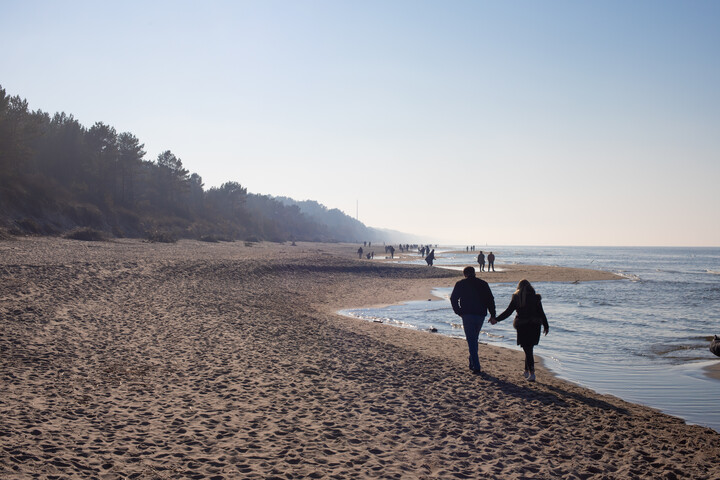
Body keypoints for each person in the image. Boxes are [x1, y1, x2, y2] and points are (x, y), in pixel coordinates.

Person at [491, 279, 549, 382]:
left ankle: (532, 373)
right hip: (535, 325)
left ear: (519, 287)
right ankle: (526, 371)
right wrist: (546, 325)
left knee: (528, 349)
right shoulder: (535, 298)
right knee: (529, 348)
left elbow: (508, 312)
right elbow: (541, 313)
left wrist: (496, 319)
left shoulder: (517, 298)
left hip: (523, 326)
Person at [450, 266, 496, 374]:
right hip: (480, 314)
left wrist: (459, 311)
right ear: (474, 273)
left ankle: (476, 366)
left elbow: (453, 299)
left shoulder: (461, 284)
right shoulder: (483, 284)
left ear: (465, 274)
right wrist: (492, 314)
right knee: (474, 338)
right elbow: (490, 300)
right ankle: (472, 362)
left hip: (467, 314)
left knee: (471, 339)